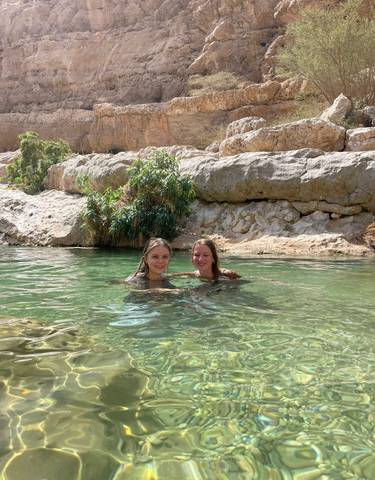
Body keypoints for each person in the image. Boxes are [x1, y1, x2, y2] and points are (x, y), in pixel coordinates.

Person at [173, 238, 240, 281]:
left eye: (205, 255)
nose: (200, 259)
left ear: (213, 258)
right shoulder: (193, 275)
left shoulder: (227, 275)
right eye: (196, 255)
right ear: (192, 258)